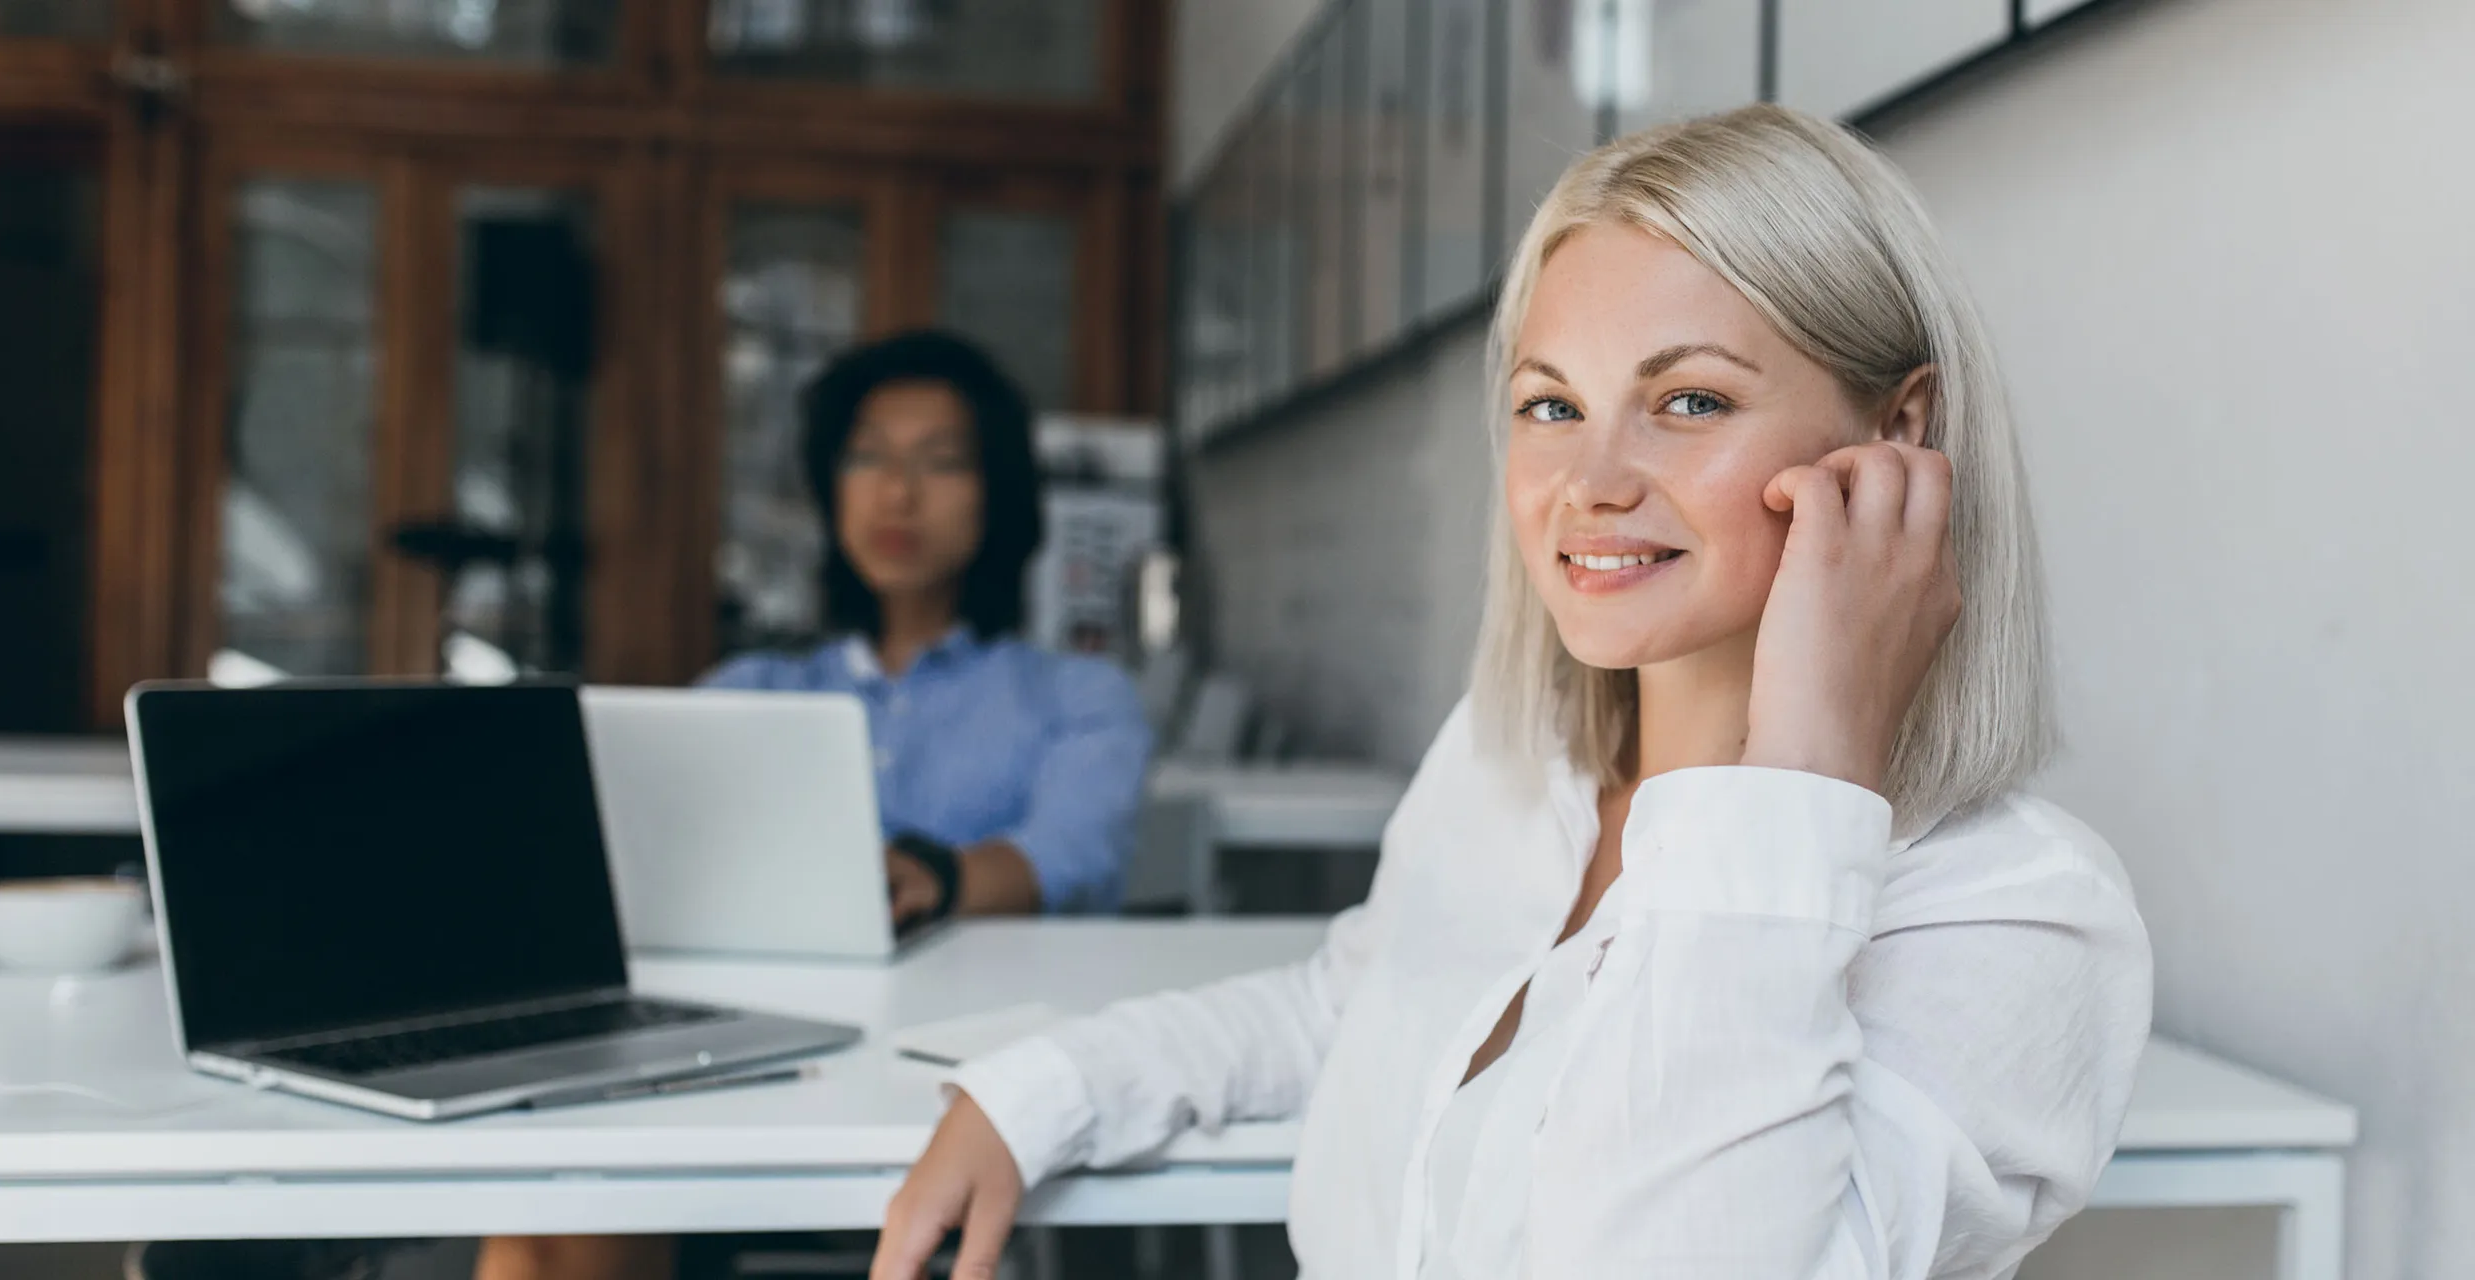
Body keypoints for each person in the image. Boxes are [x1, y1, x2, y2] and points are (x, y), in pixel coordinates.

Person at [874, 105, 2154, 1280]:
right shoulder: (1512, 763)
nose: (1589, 479)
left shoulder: (2014, 919)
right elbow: (1349, 1004)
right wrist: (1039, 1091)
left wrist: (1799, 770)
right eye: (1552, 404)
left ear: (1901, 435)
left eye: (1689, 398)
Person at [474, 329, 1153, 1280]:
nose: (897, 492)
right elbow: (628, 834)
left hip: (965, 1086)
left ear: (997, 494)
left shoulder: (1077, 696)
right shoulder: (752, 688)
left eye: (941, 462)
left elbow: (1073, 854)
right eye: (868, 456)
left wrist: (941, 875)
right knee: (542, 1232)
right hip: (745, 1071)